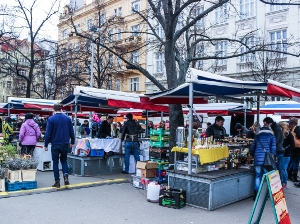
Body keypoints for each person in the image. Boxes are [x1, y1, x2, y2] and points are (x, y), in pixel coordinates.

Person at [44, 104, 75, 188]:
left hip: (55, 144)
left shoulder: (51, 119)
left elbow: (48, 133)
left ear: (53, 109)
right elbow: (71, 131)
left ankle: (57, 181)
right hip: (65, 143)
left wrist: (46, 144)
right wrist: (72, 141)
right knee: (64, 161)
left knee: (55, 162)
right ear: (61, 109)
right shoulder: (67, 119)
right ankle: (66, 177)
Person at [250, 125, 276, 199]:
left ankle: (256, 194)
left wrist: (254, 155)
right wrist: (273, 158)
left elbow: (252, 148)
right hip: (267, 160)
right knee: (266, 177)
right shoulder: (272, 136)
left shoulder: (257, 136)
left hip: (257, 159)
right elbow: (273, 149)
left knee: (258, 176)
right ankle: (264, 195)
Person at [263, 117, 284, 184]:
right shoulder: (275, 128)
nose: (265, 125)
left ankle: (279, 184)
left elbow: (276, 141)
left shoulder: (276, 129)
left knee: (278, 168)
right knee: (277, 168)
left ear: (270, 123)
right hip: (277, 150)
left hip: (278, 151)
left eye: (265, 124)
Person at [278, 121, 294, 188]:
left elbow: (292, 145)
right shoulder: (280, 134)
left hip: (286, 154)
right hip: (280, 153)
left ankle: (284, 182)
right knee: (280, 169)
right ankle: (281, 182)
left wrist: (285, 149)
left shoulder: (289, 134)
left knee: (283, 169)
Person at [288, 117, 300, 183]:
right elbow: (299, 135)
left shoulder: (290, 128)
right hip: (298, 147)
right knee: (296, 162)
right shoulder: (297, 128)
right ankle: (294, 177)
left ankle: (289, 175)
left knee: (293, 161)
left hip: (293, 147)